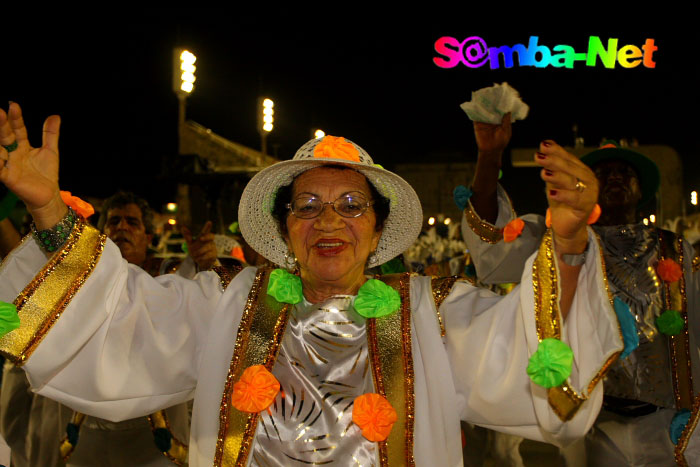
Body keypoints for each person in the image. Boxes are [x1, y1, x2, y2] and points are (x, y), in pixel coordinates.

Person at [0, 103, 623, 466]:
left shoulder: (431, 316)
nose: (330, 220)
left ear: (378, 232)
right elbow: (120, 318)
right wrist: (50, 210)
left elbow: (537, 361)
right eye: (309, 206)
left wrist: (567, 248)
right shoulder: (229, 306)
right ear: (285, 229)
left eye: (352, 204)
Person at [463, 115, 700, 466]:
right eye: (604, 174)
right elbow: (493, 242)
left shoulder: (675, 249)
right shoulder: (560, 244)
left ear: (641, 190)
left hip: (665, 420)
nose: (616, 179)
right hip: (594, 421)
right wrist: (490, 157)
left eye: (626, 173)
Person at [0, 190, 217, 466]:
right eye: (114, 222)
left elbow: (207, 317)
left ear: (149, 238)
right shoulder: (80, 282)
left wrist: (207, 264)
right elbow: (31, 283)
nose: (122, 228)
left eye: (132, 222)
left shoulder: (172, 281)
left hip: (155, 445)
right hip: (86, 435)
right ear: (101, 233)